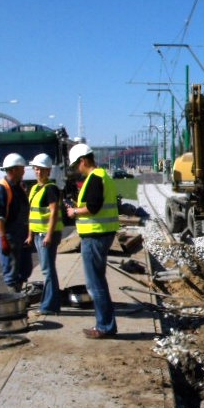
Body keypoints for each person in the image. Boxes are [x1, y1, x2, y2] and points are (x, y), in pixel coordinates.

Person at [65, 143, 119, 339]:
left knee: (95, 284)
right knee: (98, 282)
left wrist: (74, 211)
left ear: (83, 161)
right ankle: (106, 324)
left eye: (76, 165)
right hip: (102, 233)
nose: (76, 170)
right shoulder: (103, 176)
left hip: (95, 235)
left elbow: (94, 207)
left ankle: (104, 326)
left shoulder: (95, 178)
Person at [0, 153, 32, 293]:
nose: (24, 171)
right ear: (13, 170)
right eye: (21, 168)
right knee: (11, 270)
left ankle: (18, 291)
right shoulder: (2, 189)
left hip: (21, 234)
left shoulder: (18, 187)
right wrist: (3, 239)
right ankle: (14, 299)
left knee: (25, 268)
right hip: (9, 234)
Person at [26, 153, 63, 315]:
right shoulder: (35, 189)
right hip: (39, 234)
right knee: (46, 269)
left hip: (48, 235)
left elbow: (54, 213)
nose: (38, 172)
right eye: (36, 169)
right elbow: (32, 214)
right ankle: (49, 303)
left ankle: (50, 306)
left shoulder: (51, 189)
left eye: (42, 169)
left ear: (48, 171)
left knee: (48, 271)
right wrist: (30, 234)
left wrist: (48, 235)